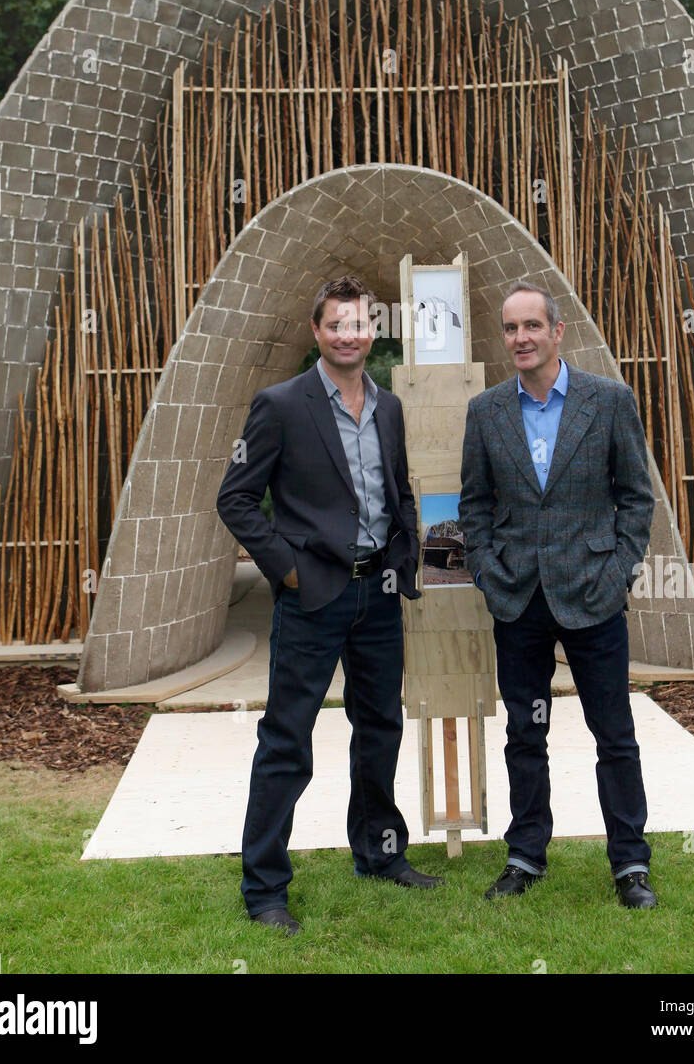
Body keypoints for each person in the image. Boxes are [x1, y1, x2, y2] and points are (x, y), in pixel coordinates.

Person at [216, 274, 442, 935]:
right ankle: (264, 889)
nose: (350, 335)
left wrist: (404, 558)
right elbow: (236, 498)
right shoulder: (281, 405)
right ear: (317, 332)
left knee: (380, 730)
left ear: (373, 330)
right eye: (336, 325)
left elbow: (399, 490)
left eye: (360, 324)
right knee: (288, 742)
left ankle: (380, 855)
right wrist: (286, 571)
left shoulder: (389, 407)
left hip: (379, 594)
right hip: (312, 595)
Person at [458, 282, 658, 908]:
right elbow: (475, 506)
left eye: (531, 327)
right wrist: (488, 573)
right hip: (518, 599)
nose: (520, 338)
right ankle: (525, 856)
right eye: (511, 328)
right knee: (525, 732)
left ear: (557, 331)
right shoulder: (486, 411)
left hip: (594, 595)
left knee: (614, 734)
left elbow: (636, 496)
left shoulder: (609, 401)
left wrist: (620, 568)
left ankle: (630, 865)